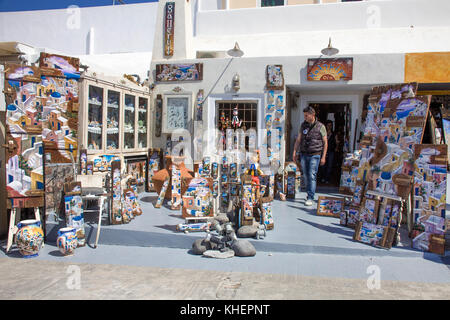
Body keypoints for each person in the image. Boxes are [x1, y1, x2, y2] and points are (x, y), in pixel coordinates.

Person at [292, 106, 327, 207]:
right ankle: (309, 194)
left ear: (313, 114)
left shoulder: (321, 126)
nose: (305, 117)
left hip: (315, 154)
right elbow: (298, 140)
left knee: (312, 175)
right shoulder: (303, 125)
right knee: (306, 175)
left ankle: (311, 197)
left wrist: (323, 156)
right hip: (304, 154)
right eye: (304, 115)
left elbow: (325, 142)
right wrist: (294, 152)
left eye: (307, 115)